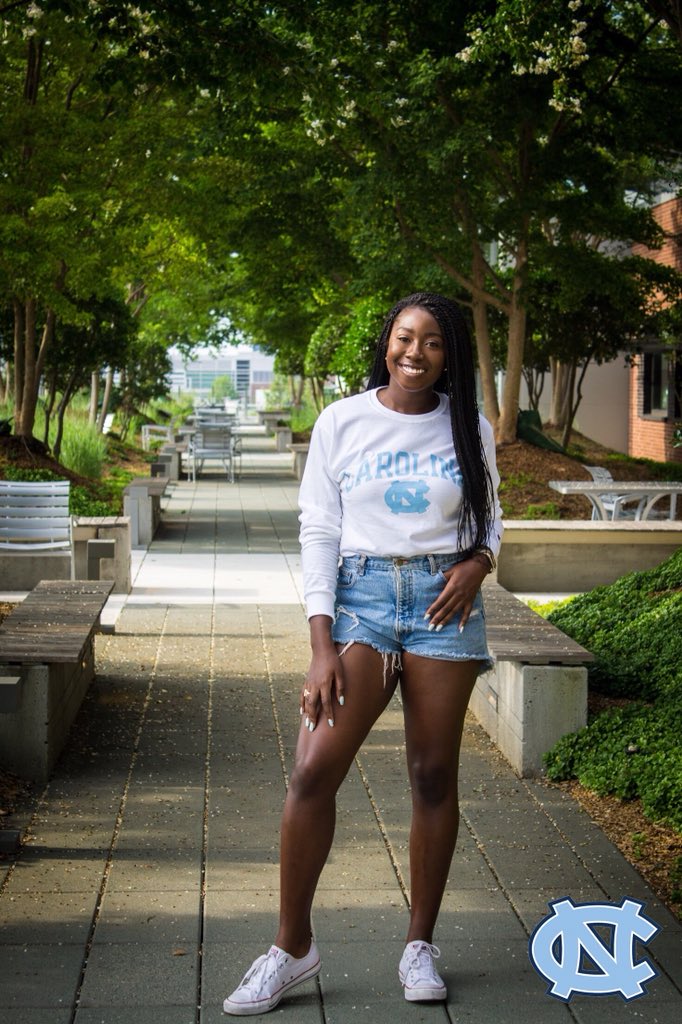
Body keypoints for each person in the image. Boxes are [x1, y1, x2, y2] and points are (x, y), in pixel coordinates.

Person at [223, 291, 503, 1016]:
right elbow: (319, 529)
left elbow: (490, 516)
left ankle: (420, 945)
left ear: (449, 354)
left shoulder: (469, 426)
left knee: (433, 774)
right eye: (405, 337)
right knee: (312, 770)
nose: (416, 352)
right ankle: (291, 947)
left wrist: (480, 562)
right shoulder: (342, 421)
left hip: (444, 605)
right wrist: (320, 643)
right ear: (387, 342)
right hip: (361, 603)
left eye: (433, 342)